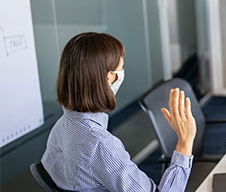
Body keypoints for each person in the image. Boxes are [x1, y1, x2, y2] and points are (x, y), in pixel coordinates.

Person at [41, 32, 197, 191]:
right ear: (109, 78)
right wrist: (185, 141)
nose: (123, 72)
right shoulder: (100, 145)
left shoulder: (62, 126)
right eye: (121, 68)